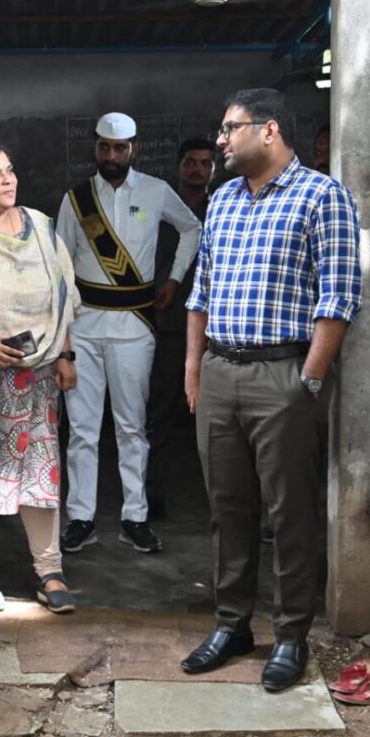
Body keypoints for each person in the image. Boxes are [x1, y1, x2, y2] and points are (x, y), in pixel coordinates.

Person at [181, 89, 361, 692]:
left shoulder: (322, 195)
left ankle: (290, 635)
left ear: (270, 130)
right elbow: (201, 289)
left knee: (289, 515)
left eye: (231, 129)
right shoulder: (223, 198)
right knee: (227, 510)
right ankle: (232, 625)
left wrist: (308, 380)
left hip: (283, 376)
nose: (222, 140)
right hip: (221, 373)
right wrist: (193, 367)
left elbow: (338, 297)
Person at [57, 113, 202, 555]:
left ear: (133, 149)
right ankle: (80, 518)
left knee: (131, 428)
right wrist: (62, 338)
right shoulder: (76, 199)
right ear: (96, 148)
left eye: (120, 148)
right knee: (81, 429)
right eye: (104, 148)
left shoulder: (157, 192)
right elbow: (61, 268)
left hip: (135, 328)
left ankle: (134, 517)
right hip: (82, 328)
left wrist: (174, 279)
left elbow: (192, 228)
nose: (112, 156)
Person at [0, 141, 81, 614]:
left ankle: (50, 570)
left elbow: (62, 294)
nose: (8, 180)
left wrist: (64, 353)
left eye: (9, 171)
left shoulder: (42, 226)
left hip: (41, 373)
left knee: (43, 475)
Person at [145, 138, 215, 517]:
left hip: (214, 331)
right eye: (190, 162)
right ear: (179, 167)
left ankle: (216, 498)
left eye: (205, 163)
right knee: (161, 410)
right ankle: (153, 491)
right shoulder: (159, 210)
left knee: (212, 416)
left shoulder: (221, 209)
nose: (197, 170)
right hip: (168, 325)